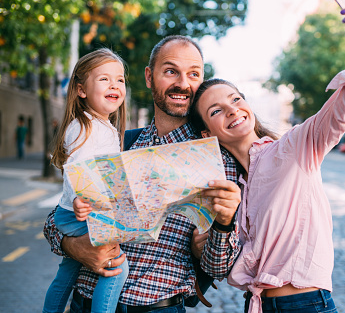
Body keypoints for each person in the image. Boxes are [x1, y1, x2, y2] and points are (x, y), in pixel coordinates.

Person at [189, 0, 345, 313]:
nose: (233, 110)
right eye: (217, 110)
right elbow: (228, 264)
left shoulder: (295, 148)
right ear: (207, 133)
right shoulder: (232, 187)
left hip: (305, 304)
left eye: (236, 99)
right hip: (256, 305)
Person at [43, 35, 242, 312]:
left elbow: (218, 267)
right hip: (85, 303)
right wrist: (73, 246)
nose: (183, 84)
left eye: (193, 74)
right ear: (149, 77)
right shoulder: (120, 143)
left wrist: (223, 224)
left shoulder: (218, 162)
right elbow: (57, 218)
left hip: (159, 307)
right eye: (171, 71)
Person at [43, 48, 129, 313]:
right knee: (116, 267)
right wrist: (82, 198)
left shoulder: (99, 125)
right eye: (104, 79)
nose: (114, 84)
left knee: (67, 273)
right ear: (81, 90)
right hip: (81, 213)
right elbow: (78, 168)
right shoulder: (86, 126)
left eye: (120, 79)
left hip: (72, 213)